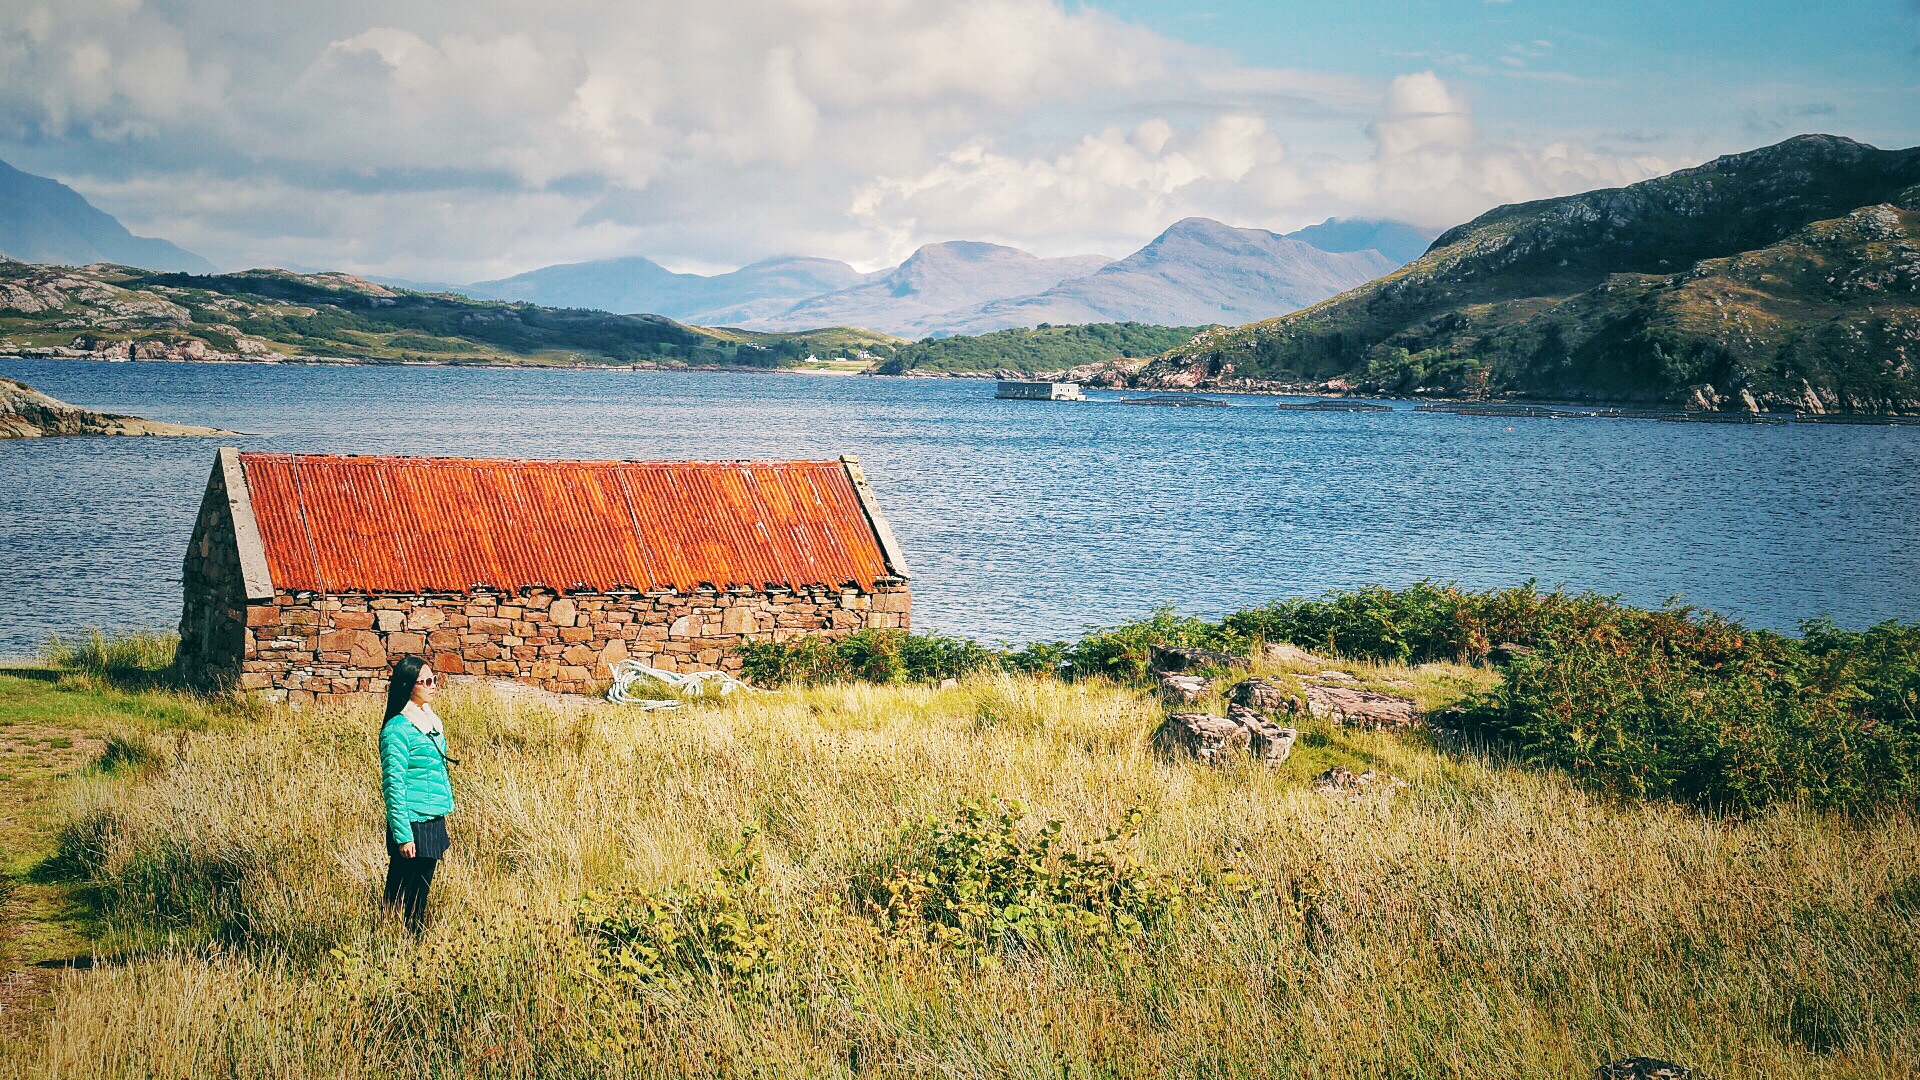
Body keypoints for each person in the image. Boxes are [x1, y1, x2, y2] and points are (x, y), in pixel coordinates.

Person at [379, 655, 454, 932]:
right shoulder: (397, 730)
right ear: (409, 686)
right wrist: (403, 835)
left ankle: (403, 934)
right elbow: (394, 786)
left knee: (420, 887)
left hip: (432, 814)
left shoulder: (431, 722)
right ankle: (397, 935)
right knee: (404, 887)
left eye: (433, 679)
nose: (432, 685)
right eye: (425, 681)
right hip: (412, 821)